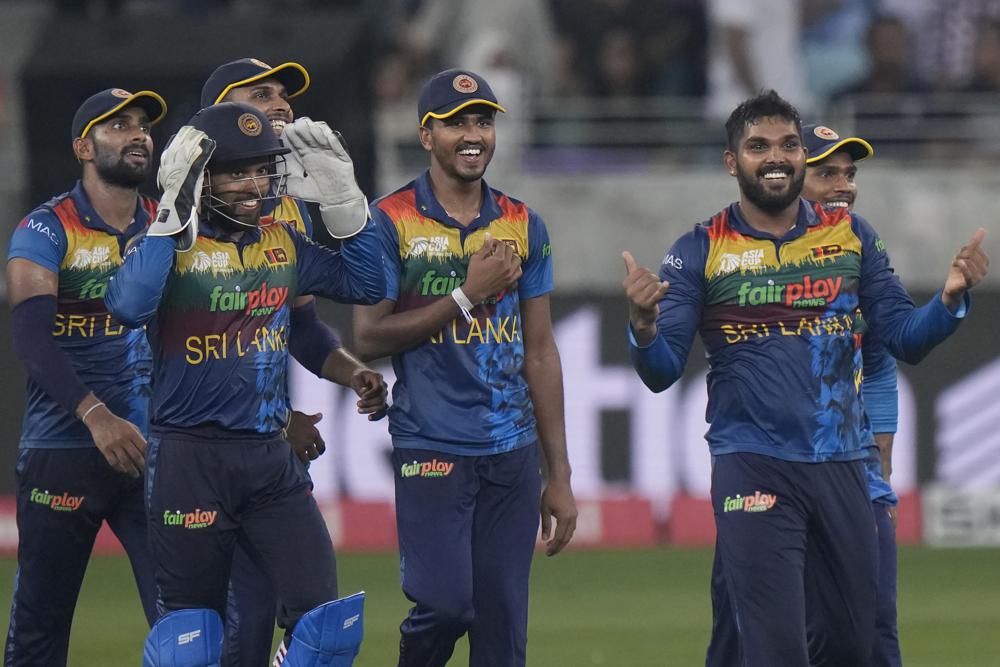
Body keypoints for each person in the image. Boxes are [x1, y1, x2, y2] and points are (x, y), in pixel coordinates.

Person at [622, 90, 988, 665]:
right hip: (753, 462)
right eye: (758, 146)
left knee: (850, 646)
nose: (776, 157)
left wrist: (948, 301)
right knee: (775, 650)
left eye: (788, 144)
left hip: (843, 466)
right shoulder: (699, 249)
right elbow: (661, 372)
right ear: (731, 161)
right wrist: (644, 328)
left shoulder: (853, 237)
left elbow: (902, 339)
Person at [105, 102, 385, 665]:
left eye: (261, 169)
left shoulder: (281, 244)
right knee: (190, 644)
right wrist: (169, 215)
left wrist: (346, 208)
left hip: (268, 461)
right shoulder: (168, 249)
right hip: (188, 462)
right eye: (236, 171)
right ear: (201, 179)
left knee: (327, 627)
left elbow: (370, 280)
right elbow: (128, 306)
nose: (253, 184)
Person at [352, 68, 578, 667]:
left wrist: (559, 474)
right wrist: (464, 295)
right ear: (427, 135)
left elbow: (541, 351)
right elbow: (368, 335)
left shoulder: (524, 223)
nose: (472, 134)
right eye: (456, 123)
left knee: (503, 635)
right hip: (431, 443)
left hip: (511, 451)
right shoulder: (388, 221)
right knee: (447, 606)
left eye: (482, 121)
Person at [200, 56, 387, 666]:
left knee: (299, 610)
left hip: (263, 446)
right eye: (262, 93)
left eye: (284, 94)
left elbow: (301, 326)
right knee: (235, 621)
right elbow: (191, 351)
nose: (281, 104)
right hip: (200, 448)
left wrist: (349, 368)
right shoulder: (182, 221)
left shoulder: (286, 209)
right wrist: (277, 422)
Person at [4, 87, 166, 666]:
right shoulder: (48, 229)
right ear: (83, 146)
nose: (137, 134)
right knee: (41, 626)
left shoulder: (167, 227)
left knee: (186, 616)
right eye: (118, 125)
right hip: (66, 447)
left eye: (142, 124)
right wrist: (96, 416)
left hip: (151, 449)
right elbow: (31, 338)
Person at [801, 122, 902, 666]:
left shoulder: (860, 246)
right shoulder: (752, 255)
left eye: (849, 173)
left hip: (858, 475)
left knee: (878, 631)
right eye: (826, 173)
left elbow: (882, 360)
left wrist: (882, 453)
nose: (843, 185)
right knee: (786, 635)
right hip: (782, 475)